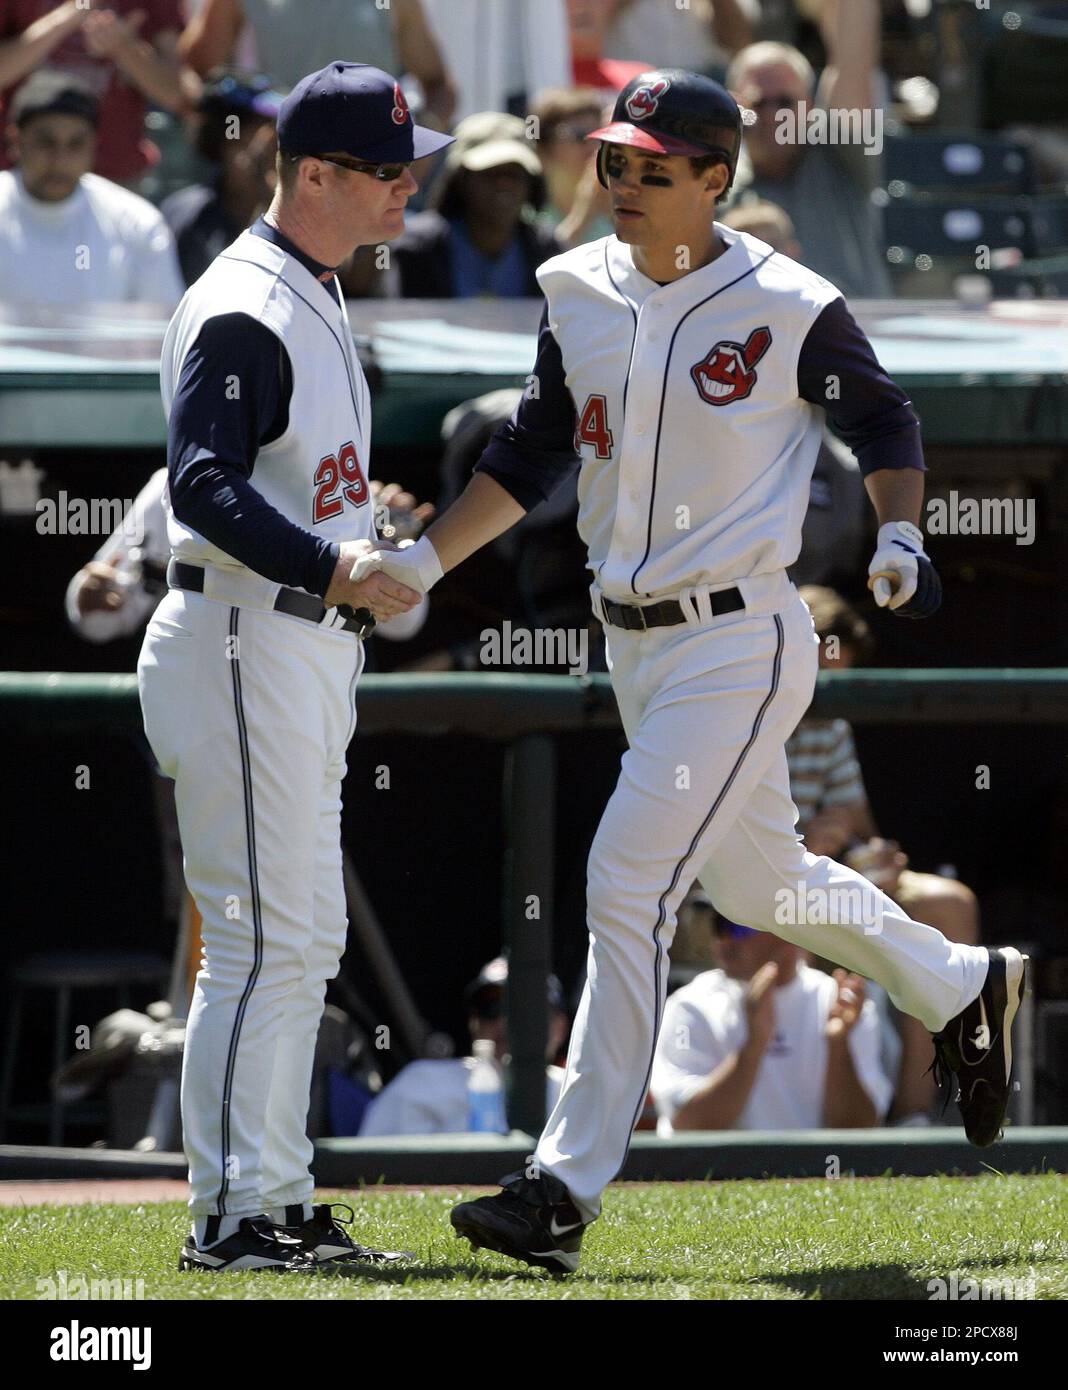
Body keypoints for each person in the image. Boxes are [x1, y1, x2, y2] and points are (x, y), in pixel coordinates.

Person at [346, 68, 1028, 1275]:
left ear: (718, 178)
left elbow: (885, 421)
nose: (627, 183)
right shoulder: (576, 288)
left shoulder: (788, 299)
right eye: (615, 160)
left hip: (740, 635)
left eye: (656, 167)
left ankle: (562, 1182)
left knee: (625, 878)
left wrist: (904, 533)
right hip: (632, 641)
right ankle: (965, 981)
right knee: (766, 886)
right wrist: (424, 561)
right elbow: (531, 449)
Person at [136, 60, 453, 1275]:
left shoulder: (313, 288)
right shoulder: (247, 300)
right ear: (311, 172)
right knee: (259, 937)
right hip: (239, 628)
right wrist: (334, 566)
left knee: (301, 936)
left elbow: (277, 477)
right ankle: (229, 1216)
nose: (406, 183)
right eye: (384, 166)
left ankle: (276, 1192)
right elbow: (204, 489)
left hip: (290, 638)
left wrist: (346, 543)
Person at [651, 916, 892, 1132]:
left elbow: (859, 1127)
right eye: (717, 925)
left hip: (817, 1176)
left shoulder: (839, 1003)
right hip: (712, 1179)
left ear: (789, 930)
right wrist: (754, 1046)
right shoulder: (689, 1005)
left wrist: (838, 1046)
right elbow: (688, 1125)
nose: (723, 939)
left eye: (736, 926)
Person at [725, 3, 893, 300]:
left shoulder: (841, 155)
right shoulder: (715, 181)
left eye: (785, 102)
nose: (774, 115)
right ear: (736, 109)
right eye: (760, 103)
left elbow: (852, 64)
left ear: (809, 107)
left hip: (860, 332)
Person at [0, 72, 183, 306]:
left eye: (75, 144)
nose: (60, 159)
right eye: (45, 142)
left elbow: (160, 329)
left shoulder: (139, 225)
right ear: (15, 140)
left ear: (94, 145)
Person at [360, 958, 570, 1137]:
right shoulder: (421, 1080)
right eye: (491, 1008)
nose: (506, 1022)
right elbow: (368, 1170)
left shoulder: (575, 1091)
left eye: (527, 1009)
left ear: (561, 1027)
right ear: (473, 1021)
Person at [179, 0, 456, 130]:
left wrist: (415, 146)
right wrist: (239, 136)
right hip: (285, 173)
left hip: (373, 170)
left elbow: (439, 86)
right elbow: (197, 73)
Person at [0, 0, 186, 184]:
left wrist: (125, 50)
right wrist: (74, 11)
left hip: (115, 179)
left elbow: (179, 96)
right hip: (20, 176)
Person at [387, 111, 560, 299]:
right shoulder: (416, 249)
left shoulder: (547, 250)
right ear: (461, 180)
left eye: (514, 174)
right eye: (490, 173)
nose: (504, 184)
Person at [162, 67, 282, 288]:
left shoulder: (298, 211)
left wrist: (270, 193)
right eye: (252, 136)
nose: (270, 149)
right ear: (223, 144)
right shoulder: (185, 216)